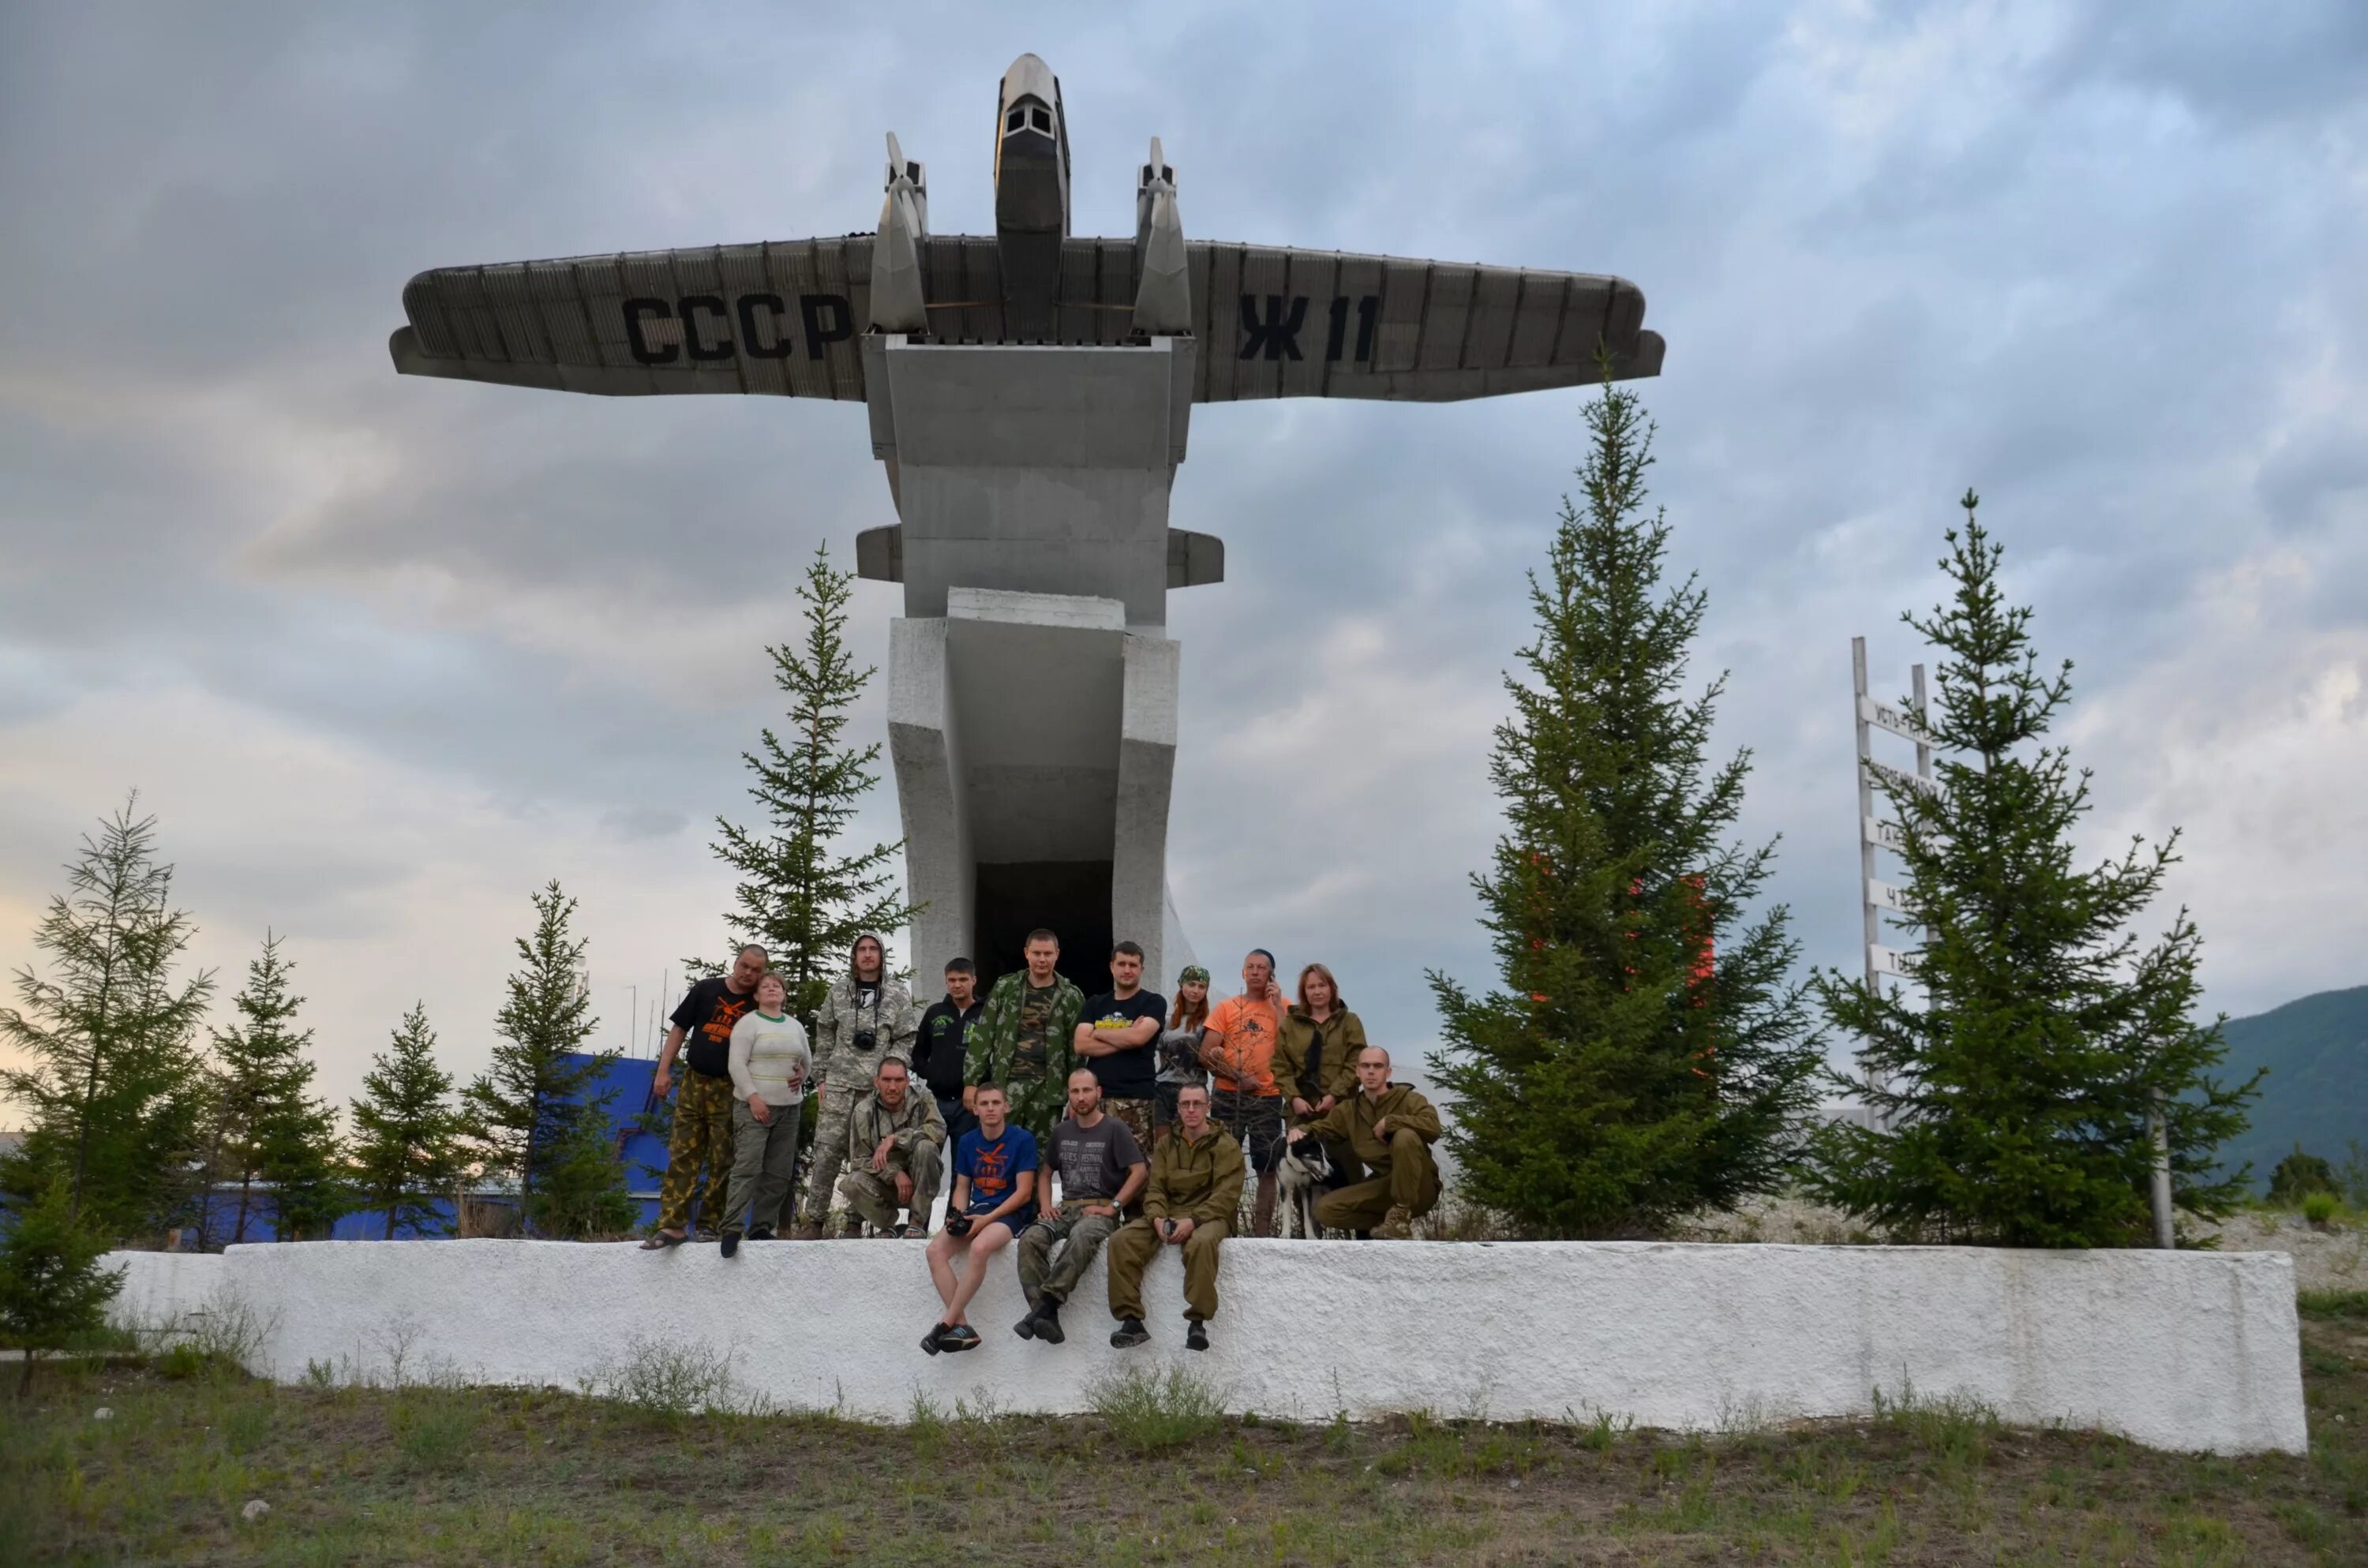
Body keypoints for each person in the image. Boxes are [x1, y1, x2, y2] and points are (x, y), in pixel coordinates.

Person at [1103, 1083, 1243, 1352]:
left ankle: (1197, 1322)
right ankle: (1131, 1320)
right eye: (1185, 1104)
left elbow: (1226, 1196)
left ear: (1208, 1107)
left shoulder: (1226, 1145)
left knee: (1200, 1244)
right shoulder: (1167, 1145)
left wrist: (1193, 1221)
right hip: (1169, 1213)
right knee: (1122, 1240)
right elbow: (1156, 1189)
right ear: (1178, 1108)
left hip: (1210, 1216)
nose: (1191, 1110)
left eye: (1197, 1104)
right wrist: (1157, 1219)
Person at [645, 944, 767, 1248]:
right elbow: (679, 1030)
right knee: (683, 1154)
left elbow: (772, 1044)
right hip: (692, 1082)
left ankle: (709, 1225)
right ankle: (672, 1225)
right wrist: (663, 1071)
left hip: (731, 1088)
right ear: (735, 962)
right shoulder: (706, 989)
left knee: (722, 1159)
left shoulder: (758, 1004)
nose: (748, 974)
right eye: (744, 966)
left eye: (756, 970)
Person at [796, 934, 919, 1238]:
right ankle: (814, 1221)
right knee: (827, 1153)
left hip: (875, 1092)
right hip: (838, 1086)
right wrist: (821, 1077)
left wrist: (890, 1073)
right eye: (861, 950)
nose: (867, 955)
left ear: (881, 955)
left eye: (873, 949)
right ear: (854, 956)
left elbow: (907, 1038)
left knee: (865, 1155)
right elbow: (824, 1032)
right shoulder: (839, 991)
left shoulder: (897, 993)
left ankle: (854, 1222)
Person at [1014, 1068, 1147, 1345]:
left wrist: (1113, 1207)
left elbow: (1139, 1172)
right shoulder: (1062, 1131)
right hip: (1066, 1208)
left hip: (1099, 1210)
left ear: (1098, 1093)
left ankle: (1046, 1306)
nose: (1081, 1096)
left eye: (1087, 1090)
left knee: (1082, 1236)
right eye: (1075, 1091)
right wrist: (1047, 1204)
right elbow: (1046, 1173)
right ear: (1069, 1095)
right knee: (1030, 1239)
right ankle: (1046, 1316)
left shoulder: (1115, 1129)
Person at [922, 1084, 1039, 1353]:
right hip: (980, 1209)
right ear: (975, 1109)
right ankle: (962, 1327)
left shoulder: (1022, 1140)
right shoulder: (968, 1141)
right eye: (984, 1104)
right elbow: (962, 1187)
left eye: (996, 1103)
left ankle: (945, 1324)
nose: (990, 1108)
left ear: (1006, 1107)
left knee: (979, 1247)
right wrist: (959, 1216)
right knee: (935, 1251)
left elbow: (1023, 1194)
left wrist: (986, 1221)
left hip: (1011, 1213)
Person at [1294, 1046, 1444, 1240]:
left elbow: (1433, 1127)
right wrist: (1300, 1131)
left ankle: (1400, 1214)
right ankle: (1389, 1226)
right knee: (1326, 1209)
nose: (1371, 1071)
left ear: (1388, 1072)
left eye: (1378, 1066)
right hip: (1384, 1184)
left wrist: (1391, 1123)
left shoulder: (1409, 1100)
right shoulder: (1349, 1110)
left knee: (1405, 1136)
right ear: (1357, 1072)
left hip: (1419, 1186)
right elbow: (1323, 1127)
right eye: (1365, 1066)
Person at [718, 972, 812, 1257]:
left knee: (778, 1172)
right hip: (754, 1108)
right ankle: (732, 1227)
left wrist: (801, 1076)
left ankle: (761, 1227)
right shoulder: (749, 1024)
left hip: (789, 1109)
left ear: (784, 994)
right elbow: (736, 1065)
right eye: (766, 986)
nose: (772, 989)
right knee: (748, 1167)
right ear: (756, 995)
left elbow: (806, 1062)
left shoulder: (795, 1026)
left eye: (778, 986)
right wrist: (753, 1098)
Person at [1198, 949, 1291, 1236]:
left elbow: (1294, 1046)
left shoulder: (1285, 1007)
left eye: (1262, 968)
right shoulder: (1227, 1008)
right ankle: (1227, 1226)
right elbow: (1205, 1055)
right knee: (1225, 1163)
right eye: (1249, 966)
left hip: (1269, 1096)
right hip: (1229, 1094)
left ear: (1271, 974)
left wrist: (1277, 1006)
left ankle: (1261, 1231)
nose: (1255, 972)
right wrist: (1238, 1077)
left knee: (1268, 1167)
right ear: (1242, 972)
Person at [965, 928, 1083, 1143]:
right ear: (1026, 953)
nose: (1042, 959)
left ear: (1057, 954)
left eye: (1047, 954)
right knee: (1003, 1151)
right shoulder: (1006, 988)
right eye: (1036, 953)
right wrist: (971, 1082)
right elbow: (984, 1035)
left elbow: (1076, 1049)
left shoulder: (1071, 996)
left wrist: (1076, 1093)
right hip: (1007, 1086)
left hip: (1049, 1090)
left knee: (1042, 1157)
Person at [1275, 962, 1369, 1188]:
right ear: (1304, 992)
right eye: (1311, 987)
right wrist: (1294, 1098)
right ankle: (1308, 1224)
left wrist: (1334, 1096)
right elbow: (1280, 1066)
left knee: (1348, 1170)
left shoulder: (1349, 1022)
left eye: (1322, 985)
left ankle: (1359, 1223)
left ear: (1331, 988)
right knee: (1302, 1175)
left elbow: (1356, 1063)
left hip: (1341, 1108)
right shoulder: (1291, 1025)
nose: (1317, 992)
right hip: (1301, 1111)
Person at [836, 1056, 946, 1238]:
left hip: (920, 1182)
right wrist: (894, 1172)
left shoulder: (922, 1099)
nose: (893, 1087)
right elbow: (859, 1161)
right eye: (887, 1080)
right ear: (876, 1082)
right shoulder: (864, 1111)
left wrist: (896, 1139)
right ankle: (888, 1225)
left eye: (898, 1080)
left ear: (907, 1081)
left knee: (927, 1147)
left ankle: (917, 1223)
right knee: (851, 1182)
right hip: (884, 1185)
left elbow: (939, 1130)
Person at [1071, 940, 1165, 1151]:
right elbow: (1080, 1044)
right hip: (1097, 1098)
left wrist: (1099, 1032)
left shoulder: (1153, 1002)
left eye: (1133, 965)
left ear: (1142, 969)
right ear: (1112, 967)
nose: (1127, 970)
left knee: (1137, 1166)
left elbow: (1138, 1039)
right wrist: (1128, 1035)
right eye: (1122, 964)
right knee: (1096, 1165)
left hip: (1136, 1098)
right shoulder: (1095, 1003)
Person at [915, 957, 984, 1151]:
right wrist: (932, 1072)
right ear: (946, 982)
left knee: (963, 1167)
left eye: (963, 979)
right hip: (936, 1101)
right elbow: (917, 1052)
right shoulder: (934, 1013)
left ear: (974, 980)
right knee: (927, 1157)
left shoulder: (986, 1014)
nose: (957, 985)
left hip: (969, 1106)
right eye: (952, 980)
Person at [1155, 965, 1212, 1139]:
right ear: (1182, 986)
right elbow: (1163, 1057)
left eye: (1201, 986)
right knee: (1163, 1145)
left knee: (1190, 1145)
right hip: (1163, 1089)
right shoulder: (1167, 1022)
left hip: (1193, 1091)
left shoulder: (1209, 1023)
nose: (1196, 990)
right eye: (1191, 984)